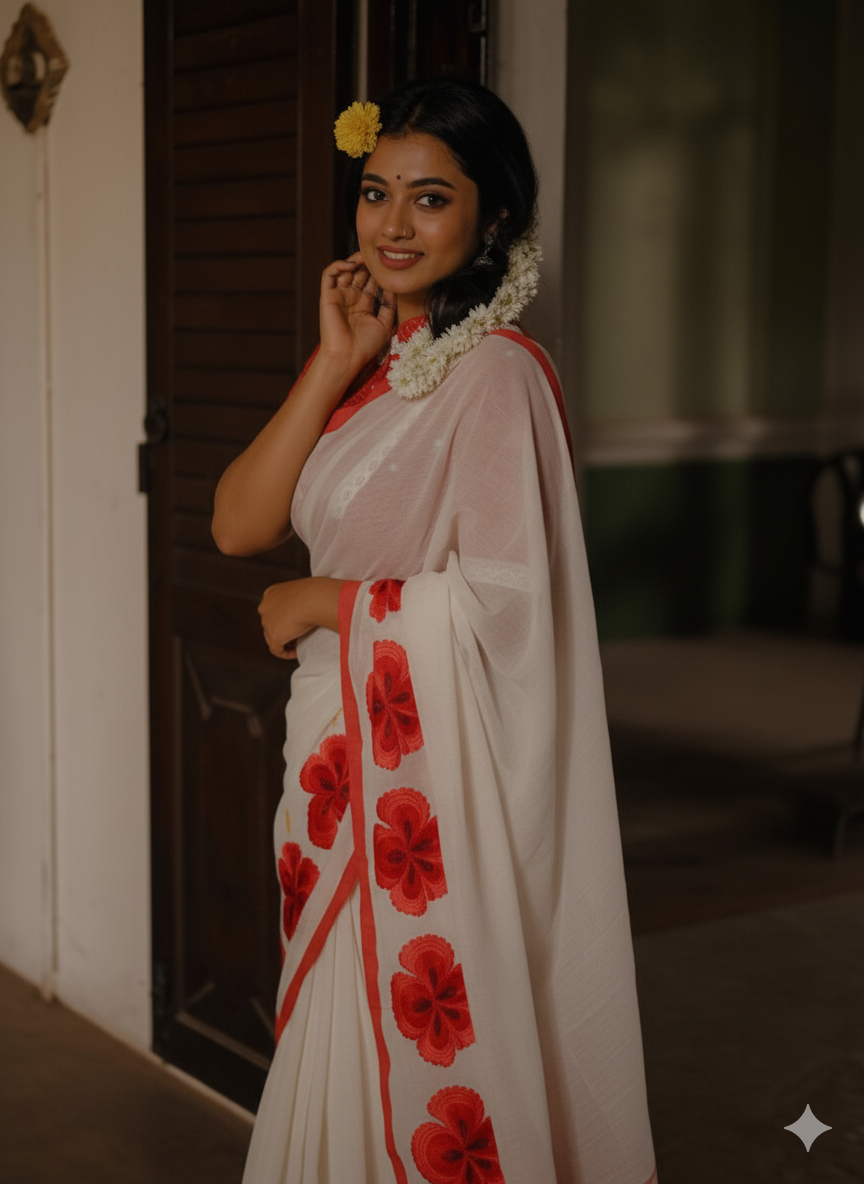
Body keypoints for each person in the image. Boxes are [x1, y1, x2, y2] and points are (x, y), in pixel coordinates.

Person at [213, 78, 657, 1184]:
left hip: (414, 794)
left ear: (491, 220)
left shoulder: (496, 377)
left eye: (430, 199)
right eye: (375, 195)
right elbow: (236, 523)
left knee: (381, 1049)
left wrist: (327, 602)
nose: (393, 226)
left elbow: (507, 606)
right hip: (338, 763)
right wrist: (330, 360)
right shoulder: (372, 371)